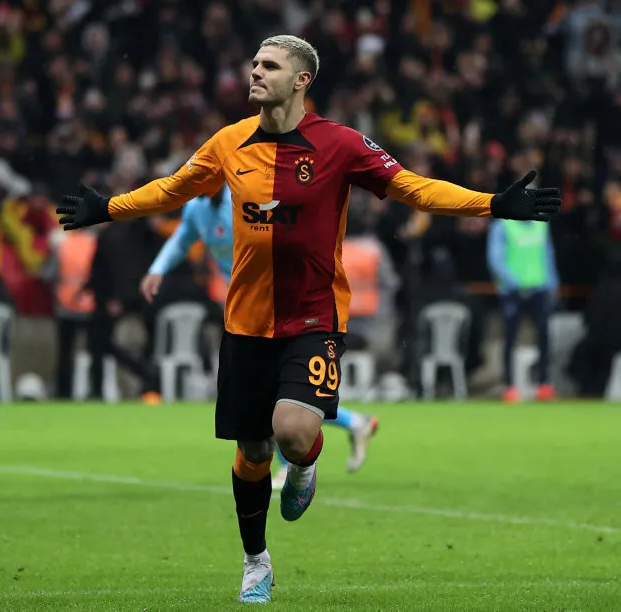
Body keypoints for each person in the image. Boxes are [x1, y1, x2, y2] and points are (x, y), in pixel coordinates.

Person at [56, 35, 561, 604]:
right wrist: (108, 208)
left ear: (301, 80)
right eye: (254, 63)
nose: (255, 72)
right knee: (252, 451)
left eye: (269, 66)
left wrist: (491, 203)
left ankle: (304, 466)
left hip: (315, 318)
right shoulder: (228, 142)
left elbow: (413, 188)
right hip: (245, 322)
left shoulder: (340, 144)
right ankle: (256, 560)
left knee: (294, 435)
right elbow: (174, 190)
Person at [139, 183, 379, 486]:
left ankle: (289, 463)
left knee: (270, 387)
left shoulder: (246, 200)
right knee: (270, 389)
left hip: (278, 302)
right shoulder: (196, 209)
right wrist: (157, 269)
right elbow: (182, 239)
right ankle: (353, 422)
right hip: (245, 308)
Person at [487, 219, 559, 402]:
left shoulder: (541, 224)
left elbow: (547, 255)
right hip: (513, 291)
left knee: (544, 337)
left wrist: (552, 283)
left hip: (539, 288)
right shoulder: (503, 225)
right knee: (510, 338)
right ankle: (509, 386)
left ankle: (543, 384)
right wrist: (515, 282)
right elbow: (495, 259)